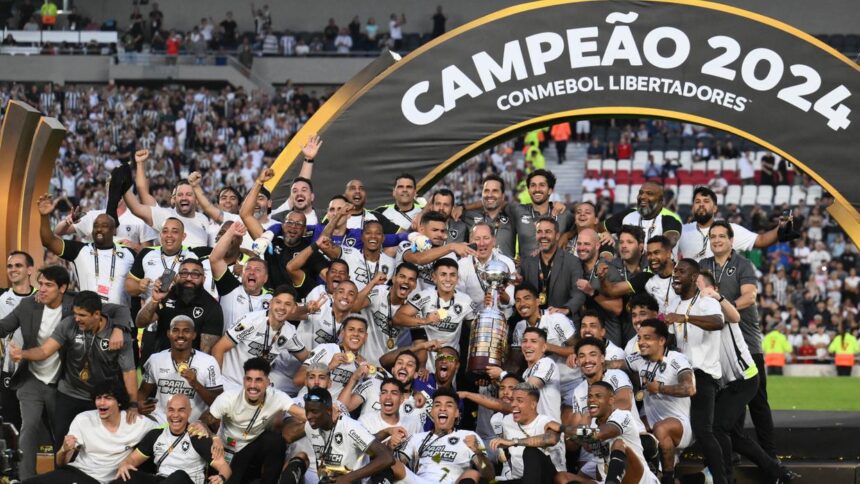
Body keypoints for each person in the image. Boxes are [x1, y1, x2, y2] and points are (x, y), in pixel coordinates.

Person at [697, 272, 796, 483]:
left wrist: (717, 297)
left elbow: (735, 317)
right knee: (734, 434)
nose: (700, 293)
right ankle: (778, 472)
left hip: (743, 378)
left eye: (701, 287)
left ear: (714, 288)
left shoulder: (718, 307)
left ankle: (724, 477)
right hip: (728, 383)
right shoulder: (696, 310)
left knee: (718, 426)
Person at [700, 220, 776, 457]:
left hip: (747, 342)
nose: (717, 240)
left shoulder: (743, 264)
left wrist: (725, 306)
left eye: (722, 236)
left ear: (732, 240)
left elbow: (750, 297)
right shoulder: (703, 265)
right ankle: (730, 453)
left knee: (758, 401)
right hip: (720, 346)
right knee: (729, 405)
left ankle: (770, 455)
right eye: (712, 237)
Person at [0, 265, 70, 480]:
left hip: (61, 381)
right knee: (28, 429)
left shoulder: (74, 305)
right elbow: (4, 326)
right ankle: (26, 479)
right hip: (31, 378)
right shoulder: (28, 305)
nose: (42, 289)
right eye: (40, 284)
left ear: (63, 288)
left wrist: (118, 328)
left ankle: (64, 476)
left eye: (49, 285)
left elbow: (117, 310)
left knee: (61, 433)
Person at [194, 357, 305, 484]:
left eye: (258, 380)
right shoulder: (229, 398)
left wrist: (329, 416)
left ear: (268, 382)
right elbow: (203, 422)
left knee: (275, 440)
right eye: (249, 379)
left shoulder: (277, 397)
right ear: (244, 380)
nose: (252, 385)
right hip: (228, 450)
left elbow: (303, 414)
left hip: (253, 447)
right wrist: (214, 437)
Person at [664, 259, 726, 484]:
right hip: (681, 374)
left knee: (703, 429)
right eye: (675, 272)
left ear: (694, 277)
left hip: (703, 374)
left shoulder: (705, 301)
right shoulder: (675, 305)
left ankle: (721, 479)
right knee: (688, 428)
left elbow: (718, 322)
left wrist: (686, 318)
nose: (676, 275)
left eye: (681, 271)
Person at [24, 380, 158, 484]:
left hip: (103, 480)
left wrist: (134, 458)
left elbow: (162, 432)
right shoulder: (83, 419)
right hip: (77, 472)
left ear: (119, 402)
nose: (101, 402)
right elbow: (60, 463)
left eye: (108, 398)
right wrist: (64, 450)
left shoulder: (135, 422)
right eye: (98, 398)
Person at [624, 319, 695, 484]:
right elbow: (612, 364)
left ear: (661, 340)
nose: (641, 343)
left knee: (660, 428)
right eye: (639, 338)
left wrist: (660, 388)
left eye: (647, 338)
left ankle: (668, 480)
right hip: (652, 421)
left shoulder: (676, 359)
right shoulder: (638, 359)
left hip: (681, 426)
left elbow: (689, 388)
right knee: (630, 427)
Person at [39, 193, 135, 305]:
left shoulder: (129, 253)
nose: (99, 229)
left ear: (114, 230)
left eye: (104, 226)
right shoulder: (80, 251)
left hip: (118, 316)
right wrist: (44, 217)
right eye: (95, 226)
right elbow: (48, 241)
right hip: (87, 314)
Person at [113, 394, 232, 484]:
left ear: (189, 412)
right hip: (162, 479)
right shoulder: (155, 435)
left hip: (186, 481)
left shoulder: (198, 437)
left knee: (178, 476)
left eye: (181, 410)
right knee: (127, 475)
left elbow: (224, 467)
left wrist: (221, 477)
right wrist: (125, 464)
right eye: (171, 410)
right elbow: (132, 460)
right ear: (166, 412)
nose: (175, 415)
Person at [211, 286, 310, 391]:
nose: (282, 307)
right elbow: (218, 349)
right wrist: (218, 382)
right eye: (278, 302)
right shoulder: (250, 322)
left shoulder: (289, 332)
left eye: (287, 304)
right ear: (271, 303)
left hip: (255, 388)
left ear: (294, 308)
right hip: (229, 382)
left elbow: (307, 357)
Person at [563, 381, 659, 484]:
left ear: (611, 400)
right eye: (589, 396)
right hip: (608, 478)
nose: (592, 400)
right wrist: (583, 423)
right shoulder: (593, 425)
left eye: (598, 396)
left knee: (618, 443)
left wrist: (561, 428)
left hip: (639, 480)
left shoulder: (622, 415)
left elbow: (598, 434)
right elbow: (581, 444)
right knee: (562, 477)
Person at [297, 387, 397, 483]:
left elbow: (387, 457)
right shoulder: (310, 427)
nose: (309, 416)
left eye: (314, 411)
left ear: (328, 410)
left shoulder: (350, 427)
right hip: (328, 479)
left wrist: (349, 478)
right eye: (307, 411)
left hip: (354, 481)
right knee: (296, 462)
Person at [138, 316, 223, 425]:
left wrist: (195, 384)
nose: (180, 335)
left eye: (186, 331)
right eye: (175, 330)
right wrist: (137, 405)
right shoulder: (155, 359)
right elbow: (143, 392)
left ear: (194, 335)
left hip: (194, 425)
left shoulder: (208, 362)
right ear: (169, 333)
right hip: (161, 422)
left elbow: (218, 402)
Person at [400, 387, 495, 484]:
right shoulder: (417, 438)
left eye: (449, 405)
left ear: (457, 413)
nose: (442, 408)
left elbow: (489, 475)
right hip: (419, 481)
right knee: (390, 460)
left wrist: (478, 453)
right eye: (437, 405)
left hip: (452, 482)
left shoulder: (468, 436)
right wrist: (390, 446)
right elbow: (397, 464)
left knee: (473, 473)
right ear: (432, 412)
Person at [394, 258, 475, 370]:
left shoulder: (466, 301)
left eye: (452, 275)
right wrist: (425, 321)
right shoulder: (424, 296)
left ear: (457, 279)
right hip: (424, 363)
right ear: (434, 277)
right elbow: (398, 318)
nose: (448, 279)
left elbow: (475, 328)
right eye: (443, 274)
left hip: (449, 362)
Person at [137, 259, 223, 359]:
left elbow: (205, 353)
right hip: (162, 362)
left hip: (191, 367)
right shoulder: (167, 294)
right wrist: (154, 300)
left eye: (195, 274)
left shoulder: (212, 307)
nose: (189, 278)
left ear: (203, 279)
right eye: (184, 273)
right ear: (177, 277)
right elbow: (140, 323)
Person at [122, 150, 212, 247]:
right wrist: (140, 163)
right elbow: (142, 197)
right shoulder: (165, 215)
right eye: (180, 195)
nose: (184, 198)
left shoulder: (204, 219)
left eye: (189, 194)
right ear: (174, 198)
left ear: (197, 200)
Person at [678, 187, 793, 261]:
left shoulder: (729, 229)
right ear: (693, 208)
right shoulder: (681, 231)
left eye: (706, 201)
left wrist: (781, 227)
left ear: (715, 209)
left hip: (722, 295)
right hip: (690, 296)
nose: (701, 205)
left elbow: (762, 240)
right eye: (697, 202)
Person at [507, 283, 576, 407]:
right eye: (518, 300)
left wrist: (547, 347)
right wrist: (503, 377)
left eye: (527, 298)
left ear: (538, 301)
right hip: (543, 387)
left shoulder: (555, 319)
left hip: (570, 383)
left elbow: (578, 349)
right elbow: (516, 364)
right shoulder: (520, 327)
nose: (522, 304)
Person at [489, 383, 566, 484]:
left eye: (519, 401)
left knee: (530, 452)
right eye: (512, 400)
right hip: (520, 479)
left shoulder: (546, 421)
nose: (513, 404)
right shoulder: (507, 421)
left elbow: (551, 439)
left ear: (533, 404)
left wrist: (514, 442)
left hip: (549, 479)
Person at [125, 217, 211, 302]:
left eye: (175, 232)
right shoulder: (146, 253)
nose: (169, 235)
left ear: (183, 236)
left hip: (180, 312)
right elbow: (129, 285)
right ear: (160, 235)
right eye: (165, 231)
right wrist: (139, 286)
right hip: (150, 311)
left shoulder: (193, 255)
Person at [520, 217, 586, 318]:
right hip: (534, 324)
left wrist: (566, 309)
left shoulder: (572, 262)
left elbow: (579, 294)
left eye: (548, 232)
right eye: (539, 232)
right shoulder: (527, 262)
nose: (543, 236)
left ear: (557, 236)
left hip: (562, 324)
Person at [211, 223, 272, 329]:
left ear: (266, 278)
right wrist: (231, 232)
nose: (252, 272)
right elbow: (215, 259)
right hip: (226, 343)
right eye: (248, 269)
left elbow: (293, 312)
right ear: (242, 273)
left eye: (257, 270)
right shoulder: (230, 288)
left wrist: (307, 308)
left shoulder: (272, 298)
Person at [397, 210, 475, 292]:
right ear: (422, 230)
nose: (440, 234)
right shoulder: (406, 245)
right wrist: (451, 246)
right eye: (435, 230)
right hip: (407, 302)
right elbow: (419, 259)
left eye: (442, 231)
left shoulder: (449, 254)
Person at [0, 251, 36, 429]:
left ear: (30, 270)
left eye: (18, 265)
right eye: (9, 266)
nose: (13, 269)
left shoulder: (43, 297)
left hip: (37, 370)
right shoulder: (1, 298)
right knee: (11, 421)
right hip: (9, 370)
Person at [295, 316, 370, 397]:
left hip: (332, 408)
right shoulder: (326, 349)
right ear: (342, 333)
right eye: (351, 329)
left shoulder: (363, 365)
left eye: (361, 331)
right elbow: (297, 380)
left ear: (365, 337)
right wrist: (329, 367)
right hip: (306, 404)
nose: (356, 334)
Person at [315, 220, 395, 291]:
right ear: (362, 237)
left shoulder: (391, 263)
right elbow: (323, 242)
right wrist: (339, 215)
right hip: (350, 304)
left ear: (383, 238)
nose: (373, 236)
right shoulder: (349, 254)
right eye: (368, 233)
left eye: (378, 233)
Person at [456, 222, 516, 313]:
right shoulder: (461, 265)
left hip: (501, 321)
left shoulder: (506, 263)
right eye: (477, 239)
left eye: (486, 238)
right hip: (471, 320)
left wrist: (501, 294)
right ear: (471, 241)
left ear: (494, 241)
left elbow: (510, 301)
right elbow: (460, 299)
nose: (482, 243)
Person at [600, 181, 683, 247]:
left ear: (660, 201)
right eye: (641, 193)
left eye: (649, 194)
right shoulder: (628, 214)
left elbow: (669, 242)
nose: (643, 197)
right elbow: (598, 228)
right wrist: (606, 235)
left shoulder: (672, 218)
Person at [358, 377, 423, 449]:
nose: (388, 397)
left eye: (394, 393)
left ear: (401, 399)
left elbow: (420, 453)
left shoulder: (414, 423)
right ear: (379, 398)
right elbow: (361, 452)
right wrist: (388, 442)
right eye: (384, 392)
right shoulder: (365, 421)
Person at [463, 175, 517, 258]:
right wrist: (462, 207)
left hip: (506, 269)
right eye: (486, 191)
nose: (490, 195)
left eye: (495, 191)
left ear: (503, 196)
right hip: (476, 269)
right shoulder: (468, 216)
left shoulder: (513, 218)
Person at [643, 236, 677, 315]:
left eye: (656, 253)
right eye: (649, 254)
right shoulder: (649, 283)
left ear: (668, 253)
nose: (652, 258)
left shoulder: (685, 275)